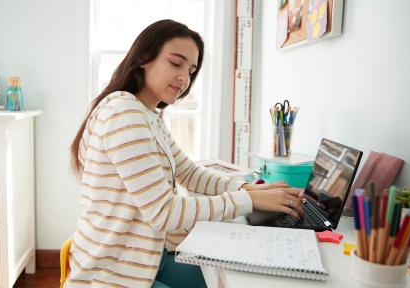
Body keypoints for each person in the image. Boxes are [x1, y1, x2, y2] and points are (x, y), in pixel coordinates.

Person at [64, 19, 304, 288]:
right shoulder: (124, 113)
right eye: (176, 63)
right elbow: (165, 212)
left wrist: (248, 188)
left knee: (222, 275)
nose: (184, 78)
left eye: (191, 70)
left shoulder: (147, 115)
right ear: (144, 58)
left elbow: (189, 172)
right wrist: (248, 200)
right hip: (113, 274)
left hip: (144, 261)